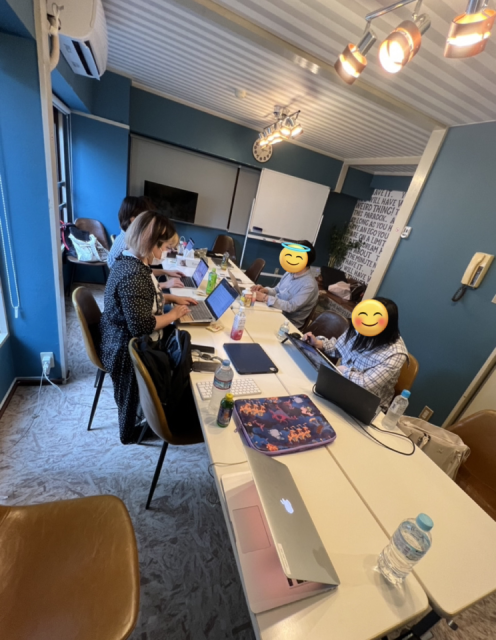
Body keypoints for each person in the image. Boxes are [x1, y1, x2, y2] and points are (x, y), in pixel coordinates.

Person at [100, 211, 197, 444]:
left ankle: (169, 402)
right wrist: (173, 314)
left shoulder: (131, 261)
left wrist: (171, 299)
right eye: (165, 247)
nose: (165, 253)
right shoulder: (134, 275)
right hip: (124, 348)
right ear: (151, 243)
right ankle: (132, 431)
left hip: (119, 336)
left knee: (180, 344)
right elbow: (141, 325)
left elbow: (147, 296)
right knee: (180, 349)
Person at [304, 297, 408, 411]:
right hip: (339, 386)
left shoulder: (396, 354)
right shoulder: (360, 324)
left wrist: (344, 371)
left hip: (367, 405)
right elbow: (338, 348)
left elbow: (366, 385)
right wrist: (318, 343)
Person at [108, 195, 185, 288]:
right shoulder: (128, 249)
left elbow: (143, 270)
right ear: (135, 221)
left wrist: (165, 271)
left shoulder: (129, 244)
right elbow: (135, 282)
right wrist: (164, 285)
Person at [251, 240, 319, 329]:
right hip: (274, 311)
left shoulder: (309, 285)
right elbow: (277, 290)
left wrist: (265, 298)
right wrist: (265, 290)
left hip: (287, 324)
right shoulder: (289, 273)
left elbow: (291, 307)